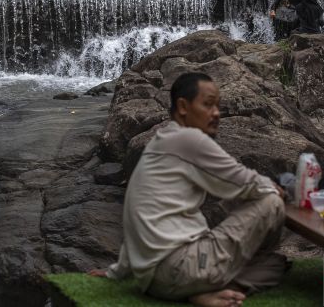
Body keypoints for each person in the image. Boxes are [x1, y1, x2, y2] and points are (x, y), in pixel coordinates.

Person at [90, 73, 287, 307]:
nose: (216, 113)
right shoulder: (189, 139)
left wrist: (117, 271)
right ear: (183, 106)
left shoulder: (160, 142)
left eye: (217, 106)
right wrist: (273, 189)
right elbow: (244, 181)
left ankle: (204, 287)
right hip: (180, 269)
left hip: (152, 280)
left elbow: (140, 214)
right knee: (272, 205)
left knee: (272, 260)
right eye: (208, 104)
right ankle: (208, 289)